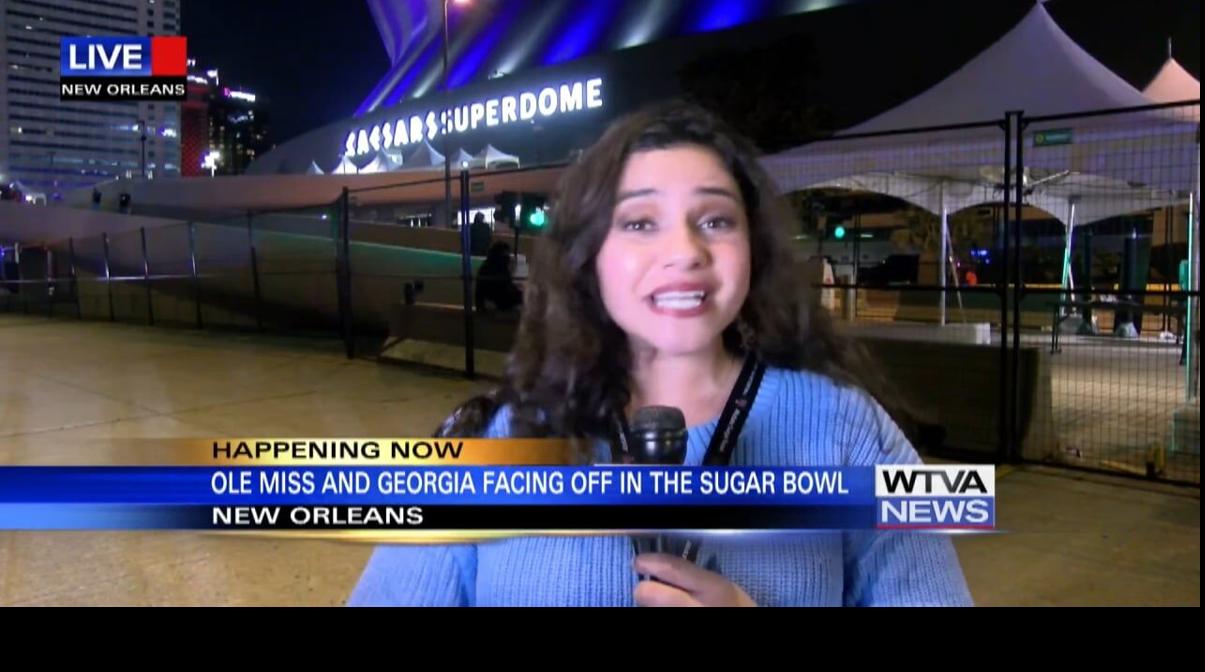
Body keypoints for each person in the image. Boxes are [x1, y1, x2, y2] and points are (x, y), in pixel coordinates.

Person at [349, 101, 972, 607]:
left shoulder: (850, 431)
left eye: (715, 220)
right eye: (640, 222)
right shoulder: (488, 450)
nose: (684, 251)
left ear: (752, 247)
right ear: (588, 255)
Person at [475, 241, 523, 312]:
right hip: (499, 297)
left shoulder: (488, 265)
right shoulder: (497, 266)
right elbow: (505, 285)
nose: (508, 257)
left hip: (497, 297)